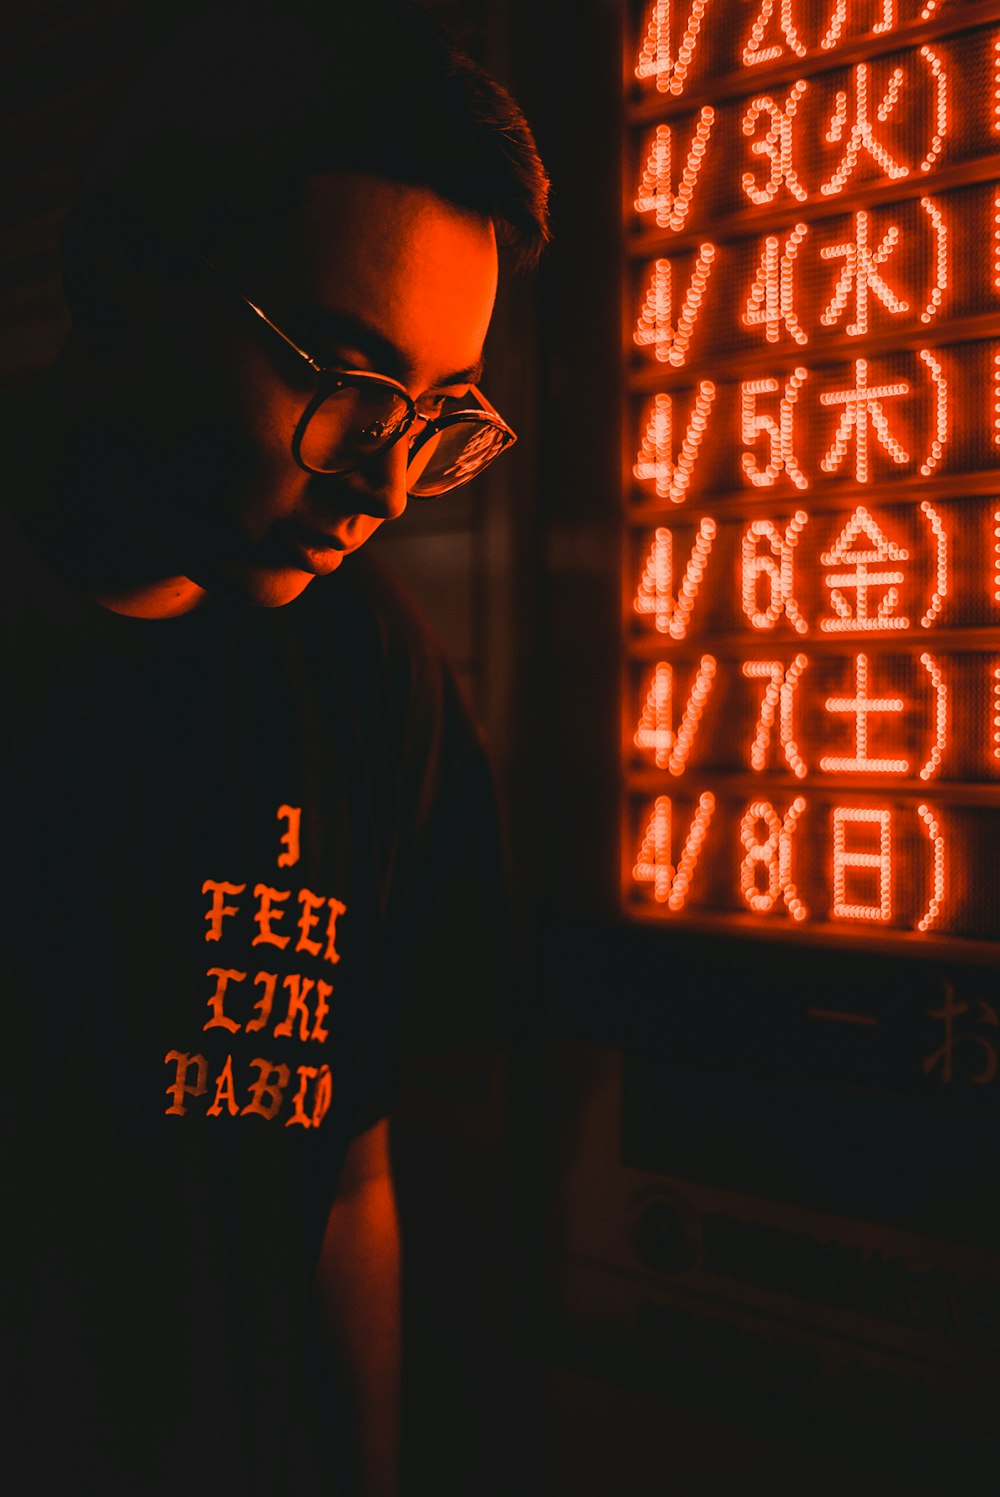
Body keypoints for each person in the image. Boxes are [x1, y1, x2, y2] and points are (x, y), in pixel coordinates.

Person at [1, 3, 548, 1494]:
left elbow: (347, 1178)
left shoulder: (371, 676)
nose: (385, 482)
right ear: (120, 274)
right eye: (344, 378)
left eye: (442, 417)